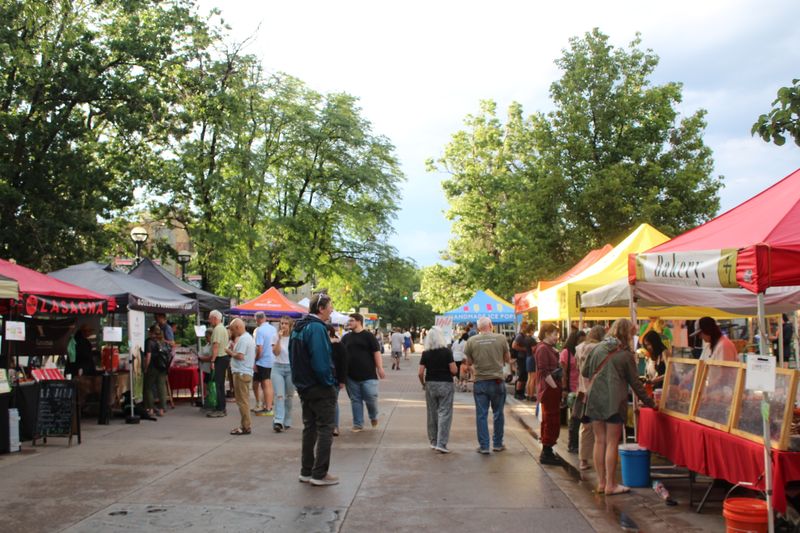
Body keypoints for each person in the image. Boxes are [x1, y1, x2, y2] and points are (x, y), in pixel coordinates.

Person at [583, 318, 655, 495]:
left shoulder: (597, 348)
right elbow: (636, 383)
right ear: (627, 334)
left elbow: (585, 371)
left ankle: (601, 483)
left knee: (599, 440)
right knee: (612, 442)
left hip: (595, 399)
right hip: (614, 401)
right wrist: (651, 403)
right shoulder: (625, 355)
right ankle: (611, 484)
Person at [290, 293, 339, 486]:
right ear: (321, 308)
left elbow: (294, 358)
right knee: (325, 428)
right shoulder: (317, 328)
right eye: (330, 306)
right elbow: (320, 362)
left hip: (304, 386)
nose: (332, 310)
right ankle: (319, 474)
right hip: (319, 387)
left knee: (309, 428)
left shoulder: (299, 327)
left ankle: (307, 471)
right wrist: (329, 382)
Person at [463, 317, 511, 454]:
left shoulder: (471, 341)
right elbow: (507, 359)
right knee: (498, 413)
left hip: (480, 382)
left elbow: (469, 363)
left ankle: (484, 446)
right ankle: (497, 444)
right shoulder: (501, 338)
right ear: (491, 325)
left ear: (478, 328)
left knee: (481, 415)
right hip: (497, 381)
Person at [342, 313, 385, 432]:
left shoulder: (369, 336)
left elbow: (376, 352)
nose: (349, 323)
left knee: (371, 397)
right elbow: (341, 354)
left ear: (359, 321)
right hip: (350, 375)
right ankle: (358, 424)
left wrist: (380, 368)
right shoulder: (346, 338)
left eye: (351, 320)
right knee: (355, 400)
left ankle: (373, 416)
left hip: (368, 374)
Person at [418, 326, 457, 453]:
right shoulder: (447, 352)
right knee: (445, 413)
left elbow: (420, 372)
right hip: (445, 383)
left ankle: (433, 441)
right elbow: (453, 370)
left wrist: (423, 384)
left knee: (432, 413)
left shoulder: (426, 353)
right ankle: (442, 443)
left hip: (430, 383)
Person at [574, 325, 605, 471]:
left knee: (585, 427)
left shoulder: (579, 348)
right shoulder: (600, 348)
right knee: (600, 428)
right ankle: (600, 458)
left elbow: (577, 368)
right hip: (597, 391)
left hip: (582, 391)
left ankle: (583, 460)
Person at [534, 323, 562, 465]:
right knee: (551, 419)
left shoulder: (547, 348)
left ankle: (548, 449)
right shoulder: (543, 349)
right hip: (549, 389)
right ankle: (546, 450)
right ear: (546, 334)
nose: (556, 337)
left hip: (550, 388)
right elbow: (544, 370)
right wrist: (555, 387)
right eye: (554, 334)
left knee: (550, 419)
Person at [226, 318, 256, 435]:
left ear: (238, 327)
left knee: (242, 401)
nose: (232, 332)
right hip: (244, 372)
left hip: (241, 373)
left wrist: (229, 351)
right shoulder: (247, 337)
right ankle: (245, 425)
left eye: (233, 330)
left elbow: (240, 356)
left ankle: (245, 426)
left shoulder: (243, 339)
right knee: (243, 400)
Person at [560, 328, 586, 453]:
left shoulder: (583, 352)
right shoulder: (566, 353)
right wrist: (564, 388)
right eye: (580, 341)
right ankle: (573, 444)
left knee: (581, 418)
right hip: (572, 389)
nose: (582, 343)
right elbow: (563, 372)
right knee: (575, 418)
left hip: (583, 389)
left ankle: (578, 443)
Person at [271, 316, 295, 432]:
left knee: (289, 397)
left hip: (291, 368)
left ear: (290, 326)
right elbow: (276, 353)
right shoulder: (275, 336)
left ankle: (287, 420)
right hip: (278, 368)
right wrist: (279, 339)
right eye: (281, 323)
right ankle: (278, 421)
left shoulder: (294, 338)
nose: (283, 325)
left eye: (286, 323)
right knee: (279, 395)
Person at [205, 310, 230, 418]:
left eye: (210, 318)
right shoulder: (222, 328)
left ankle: (220, 409)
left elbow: (216, 346)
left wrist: (212, 361)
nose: (209, 320)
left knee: (218, 385)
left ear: (215, 318)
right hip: (223, 357)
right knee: (220, 384)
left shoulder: (217, 329)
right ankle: (220, 407)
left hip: (220, 358)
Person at [143, 323, 170, 417]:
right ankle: (162, 410)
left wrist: (145, 368)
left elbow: (148, 356)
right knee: (161, 387)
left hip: (152, 367)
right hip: (162, 367)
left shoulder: (149, 342)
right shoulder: (163, 341)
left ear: (151, 332)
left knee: (148, 387)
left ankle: (150, 409)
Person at [253, 311, 276, 415]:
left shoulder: (260, 330)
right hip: (272, 359)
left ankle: (268, 408)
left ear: (258, 319)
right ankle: (267, 405)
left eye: (255, 320)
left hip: (263, 361)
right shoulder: (273, 329)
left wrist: (256, 360)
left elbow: (259, 349)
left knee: (265, 384)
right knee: (268, 384)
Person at [327, 324, 348, 437]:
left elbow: (344, 363)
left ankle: (335, 426)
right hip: (321, 378)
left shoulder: (338, 345)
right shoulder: (320, 344)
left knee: (333, 401)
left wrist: (342, 380)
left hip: (334, 378)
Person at [512, 323, 535, 400]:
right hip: (521, 358)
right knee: (521, 376)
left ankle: (521, 393)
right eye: (525, 327)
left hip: (525, 357)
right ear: (522, 327)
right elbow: (514, 345)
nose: (526, 328)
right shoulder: (519, 336)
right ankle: (518, 393)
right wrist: (524, 349)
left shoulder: (525, 336)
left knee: (525, 376)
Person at [198, 329, 214, 408]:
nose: (206, 338)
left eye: (207, 337)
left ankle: (210, 400)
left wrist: (202, 358)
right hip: (206, 368)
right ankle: (207, 399)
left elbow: (211, 357)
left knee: (209, 384)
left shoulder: (213, 345)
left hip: (210, 368)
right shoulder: (208, 344)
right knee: (206, 383)